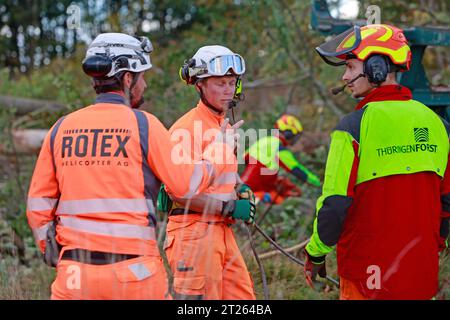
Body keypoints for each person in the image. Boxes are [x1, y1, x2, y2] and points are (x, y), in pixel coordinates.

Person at [26, 33, 241, 300]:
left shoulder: (61, 128)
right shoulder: (143, 125)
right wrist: (220, 147)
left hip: (74, 275)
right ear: (128, 79)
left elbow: (38, 203)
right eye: (142, 76)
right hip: (135, 273)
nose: (145, 84)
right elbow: (186, 183)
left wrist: (51, 249)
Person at [303, 24, 450, 299]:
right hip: (420, 272)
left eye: (350, 67)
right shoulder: (439, 125)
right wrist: (434, 244)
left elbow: (335, 204)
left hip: (366, 277)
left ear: (377, 66)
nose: (345, 77)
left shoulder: (352, 127)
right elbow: (447, 202)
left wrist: (316, 252)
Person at [161, 45, 256, 299]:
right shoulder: (185, 129)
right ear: (199, 85)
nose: (228, 90)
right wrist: (227, 208)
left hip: (221, 232)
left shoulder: (222, 126)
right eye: (220, 83)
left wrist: (240, 188)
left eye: (232, 82)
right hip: (192, 233)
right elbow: (179, 191)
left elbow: (217, 172)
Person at [241, 114, 321, 205]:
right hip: (256, 192)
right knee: (282, 201)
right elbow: (297, 169)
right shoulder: (279, 148)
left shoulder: (264, 140)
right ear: (288, 134)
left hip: (245, 184)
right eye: (295, 136)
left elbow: (244, 157)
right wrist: (317, 183)